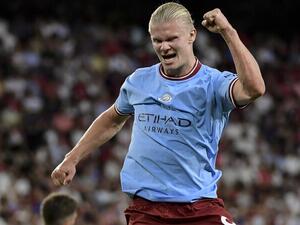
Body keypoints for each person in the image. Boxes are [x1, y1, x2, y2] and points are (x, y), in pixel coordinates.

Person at [51, 2, 265, 225]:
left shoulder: (214, 83)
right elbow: (112, 118)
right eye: (157, 40)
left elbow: (254, 89)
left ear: (192, 35)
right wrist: (71, 158)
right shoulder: (139, 81)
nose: (164, 47)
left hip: (200, 206)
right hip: (148, 210)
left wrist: (227, 32)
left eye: (171, 39)